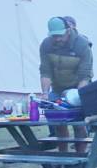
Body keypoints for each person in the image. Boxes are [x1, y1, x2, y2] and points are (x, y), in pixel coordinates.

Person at [39, 16, 93, 153]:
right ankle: (63, 156)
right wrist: (45, 93)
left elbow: (85, 74)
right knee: (58, 124)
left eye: (60, 35)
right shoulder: (46, 45)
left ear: (68, 30)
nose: (57, 39)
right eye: (54, 36)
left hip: (77, 87)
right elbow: (45, 71)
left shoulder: (82, 44)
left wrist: (78, 97)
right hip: (58, 88)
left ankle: (80, 158)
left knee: (78, 124)